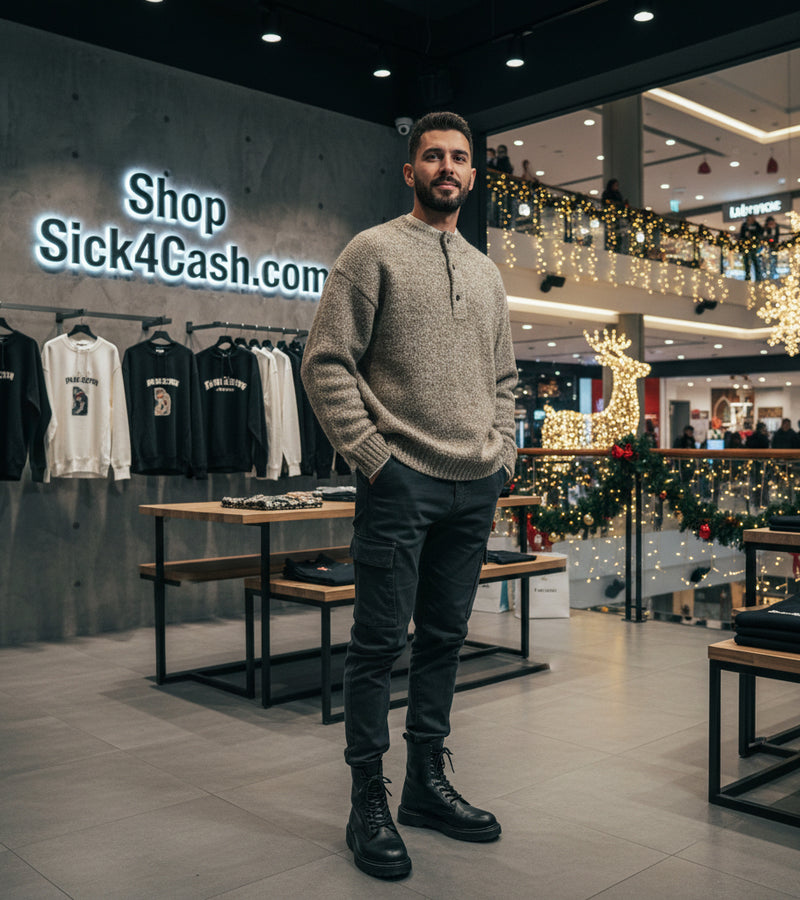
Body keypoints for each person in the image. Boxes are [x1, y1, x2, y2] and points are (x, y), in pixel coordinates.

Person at [302, 111, 516, 881]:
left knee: (445, 640)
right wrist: (374, 459)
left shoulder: (487, 271)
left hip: (474, 485)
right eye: (433, 156)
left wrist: (504, 454)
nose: (447, 167)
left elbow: (504, 382)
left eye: (459, 157)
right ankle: (368, 800)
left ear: (472, 172)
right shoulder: (372, 251)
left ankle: (426, 782)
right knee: (377, 644)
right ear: (411, 171)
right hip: (401, 484)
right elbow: (325, 361)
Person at [601, 178, 627, 252]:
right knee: (610, 232)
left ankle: (617, 248)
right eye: (615, 185)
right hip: (610, 216)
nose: (616, 187)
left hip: (617, 217)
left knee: (617, 232)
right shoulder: (607, 193)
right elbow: (605, 202)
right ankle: (611, 247)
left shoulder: (618, 194)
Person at [740, 214, 763, 281]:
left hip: (754, 246)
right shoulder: (744, 225)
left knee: (755, 261)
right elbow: (742, 235)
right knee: (746, 262)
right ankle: (747, 276)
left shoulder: (757, 225)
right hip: (746, 246)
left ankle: (758, 278)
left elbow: (760, 232)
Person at [763, 215, 780, 279]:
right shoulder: (766, 229)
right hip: (768, 247)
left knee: (774, 259)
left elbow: (777, 237)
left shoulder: (776, 228)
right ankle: (769, 273)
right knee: (768, 260)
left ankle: (773, 272)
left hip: (774, 247)